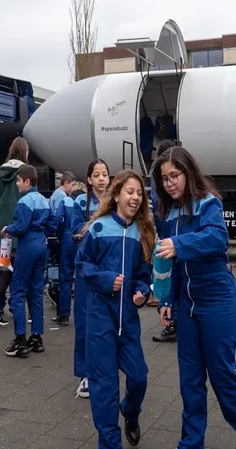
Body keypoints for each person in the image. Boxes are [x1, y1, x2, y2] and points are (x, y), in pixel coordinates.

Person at [154, 147, 236, 449]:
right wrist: (167, 301)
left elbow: (217, 238)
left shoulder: (207, 203)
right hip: (187, 306)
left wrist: (178, 243)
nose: (170, 183)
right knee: (190, 381)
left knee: (223, 377)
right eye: (164, 179)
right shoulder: (169, 213)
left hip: (217, 301)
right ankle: (190, 444)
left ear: (188, 172)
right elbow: (170, 264)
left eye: (174, 176)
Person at [75, 169, 153, 448]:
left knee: (139, 378)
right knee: (104, 387)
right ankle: (110, 443)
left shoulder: (142, 233)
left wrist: (143, 291)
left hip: (128, 322)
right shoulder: (98, 228)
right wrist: (108, 280)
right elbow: (82, 265)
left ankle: (130, 413)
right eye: (130, 191)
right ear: (117, 194)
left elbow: (144, 276)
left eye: (139, 193)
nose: (135, 197)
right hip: (100, 319)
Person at [1, 164, 57, 357]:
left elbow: (21, 226)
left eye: (18, 180)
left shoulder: (25, 201)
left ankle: (20, 340)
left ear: (27, 181)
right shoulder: (44, 200)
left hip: (28, 246)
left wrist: (8, 228)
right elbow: (53, 225)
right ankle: (37, 338)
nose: (17, 184)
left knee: (18, 291)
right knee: (36, 292)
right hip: (42, 244)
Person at [73, 158, 110, 399]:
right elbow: (76, 230)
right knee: (85, 323)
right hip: (87, 269)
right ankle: (86, 374)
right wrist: (98, 220)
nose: (101, 179)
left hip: (109, 266)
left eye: (105, 174)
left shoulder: (115, 200)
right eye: (96, 175)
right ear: (89, 179)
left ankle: (106, 370)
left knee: (108, 322)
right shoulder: (79, 201)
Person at [0, 137, 30, 326]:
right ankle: (17, 305)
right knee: (20, 271)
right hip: (19, 230)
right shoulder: (26, 173)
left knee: (3, 269)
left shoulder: (0, 172)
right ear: (24, 152)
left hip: (2, 232)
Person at [150, 139, 179, 344]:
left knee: (168, 274)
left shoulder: (157, 177)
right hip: (169, 231)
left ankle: (172, 322)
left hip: (166, 232)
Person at [52, 172, 80, 326]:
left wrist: (60, 236)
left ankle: (63, 314)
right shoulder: (85, 201)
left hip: (68, 241)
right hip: (82, 242)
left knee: (65, 277)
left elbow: (58, 220)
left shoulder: (66, 201)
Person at [47, 172, 76, 308]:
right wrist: (59, 234)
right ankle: (53, 289)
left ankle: (53, 288)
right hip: (58, 236)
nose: (73, 188)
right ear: (66, 183)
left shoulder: (56, 194)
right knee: (58, 266)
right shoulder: (62, 197)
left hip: (55, 234)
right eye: (72, 184)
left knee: (54, 264)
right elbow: (60, 218)